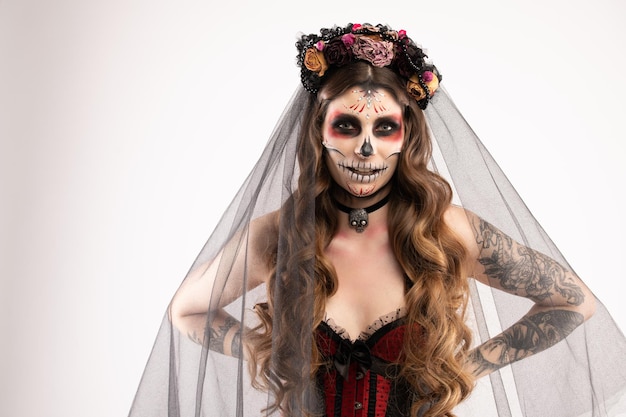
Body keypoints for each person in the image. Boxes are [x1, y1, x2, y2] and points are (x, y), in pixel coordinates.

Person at [129, 23, 626, 417]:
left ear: (404, 137)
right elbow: (186, 311)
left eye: (384, 127)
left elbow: (573, 302)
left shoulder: (444, 230)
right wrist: (266, 351)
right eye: (346, 125)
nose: (365, 148)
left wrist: (467, 367)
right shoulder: (280, 235)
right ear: (318, 133)